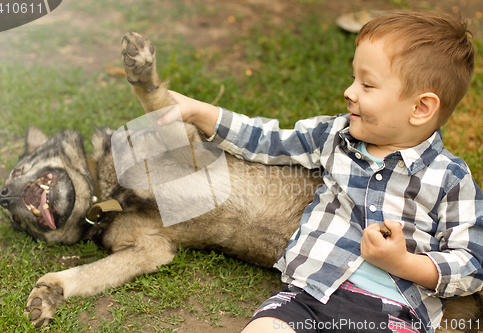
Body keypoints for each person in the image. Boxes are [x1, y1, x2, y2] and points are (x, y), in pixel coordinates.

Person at [157, 10, 483, 333]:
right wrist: (200, 111)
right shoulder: (333, 136)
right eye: (354, 78)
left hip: (393, 315)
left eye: (367, 84)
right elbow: (267, 140)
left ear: (421, 108)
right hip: (306, 297)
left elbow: (471, 265)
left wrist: (404, 263)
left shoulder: (451, 179)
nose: (350, 91)